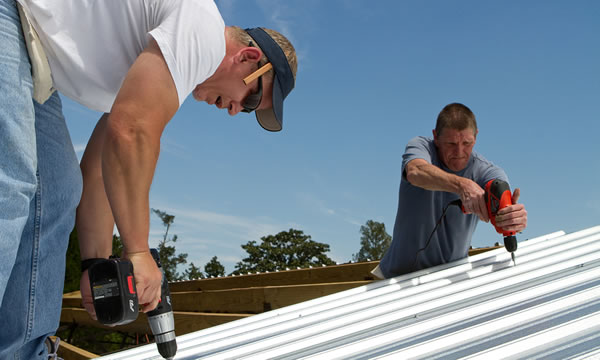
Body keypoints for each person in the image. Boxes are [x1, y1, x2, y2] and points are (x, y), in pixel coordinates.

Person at [0, 0, 297, 358]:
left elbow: (100, 166)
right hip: (11, 15)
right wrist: (138, 251)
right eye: (251, 100)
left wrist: (99, 266)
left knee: (58, 191)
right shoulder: (203, 34)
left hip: (32, 55)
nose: (235, 110)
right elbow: (130, 130)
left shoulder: (163, 64)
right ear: (248, 57)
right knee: (10, 184)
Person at [373, 103, 527, 279]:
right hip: (395, 277)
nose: (459, 152)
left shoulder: (488, 172)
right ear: (436, 137)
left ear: (476, 137)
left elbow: (501, 199)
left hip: (448, 281)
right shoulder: (421, 147)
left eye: (467, 143)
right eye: (451, 143)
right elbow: (416, 172)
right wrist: (462, 185)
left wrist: (510, 219)